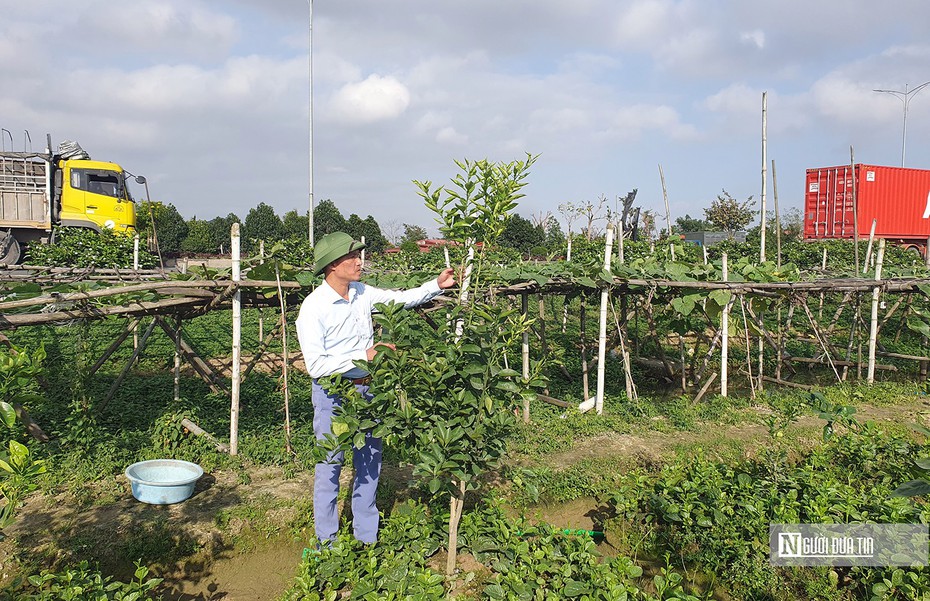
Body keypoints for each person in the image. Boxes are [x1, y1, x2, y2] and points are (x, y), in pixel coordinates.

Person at [295, 231, 456, 546]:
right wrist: (365, 355)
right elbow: (315, 365)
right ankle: (326, 541)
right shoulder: (313, 308)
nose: (359, 262)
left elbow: (399, 299)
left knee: (370, 461)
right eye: (351, 257)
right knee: (330, 465)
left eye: (358, 255)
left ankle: (366, 537)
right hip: (333, 395)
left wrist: (435, 285)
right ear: (331, 266)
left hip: (368, 391)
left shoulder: (361, 293)